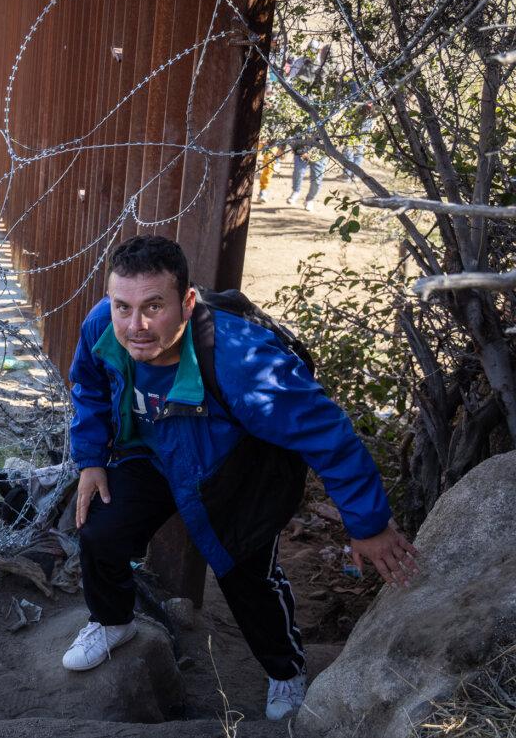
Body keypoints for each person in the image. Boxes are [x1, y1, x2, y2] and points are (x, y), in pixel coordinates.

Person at [65, 235, 418, 721]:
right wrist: (90, 459)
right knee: (100, 528)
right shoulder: (103, 327)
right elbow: (88, 385)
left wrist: (369, 524)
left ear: (187, 302)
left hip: (232, 470)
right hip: (150, 452)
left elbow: (328, 436)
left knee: (245, 575)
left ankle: (285, 670)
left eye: (154, 306)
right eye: (123, 306)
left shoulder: (243, 360)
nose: (136, 325)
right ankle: (111, 621)